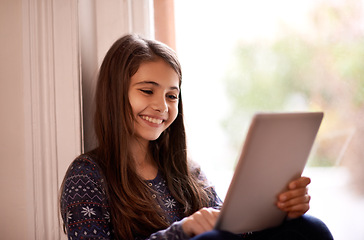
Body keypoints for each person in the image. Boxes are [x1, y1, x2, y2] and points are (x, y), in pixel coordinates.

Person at [60, 34, 333, 240]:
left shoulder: (187, 171)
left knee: (310, 228)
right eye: (147, 91)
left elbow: (233, 229)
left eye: (171, 95)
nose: (162, 106)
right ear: (114, 93)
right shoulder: (87, 175)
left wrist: (279, 208)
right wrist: (183, 231)